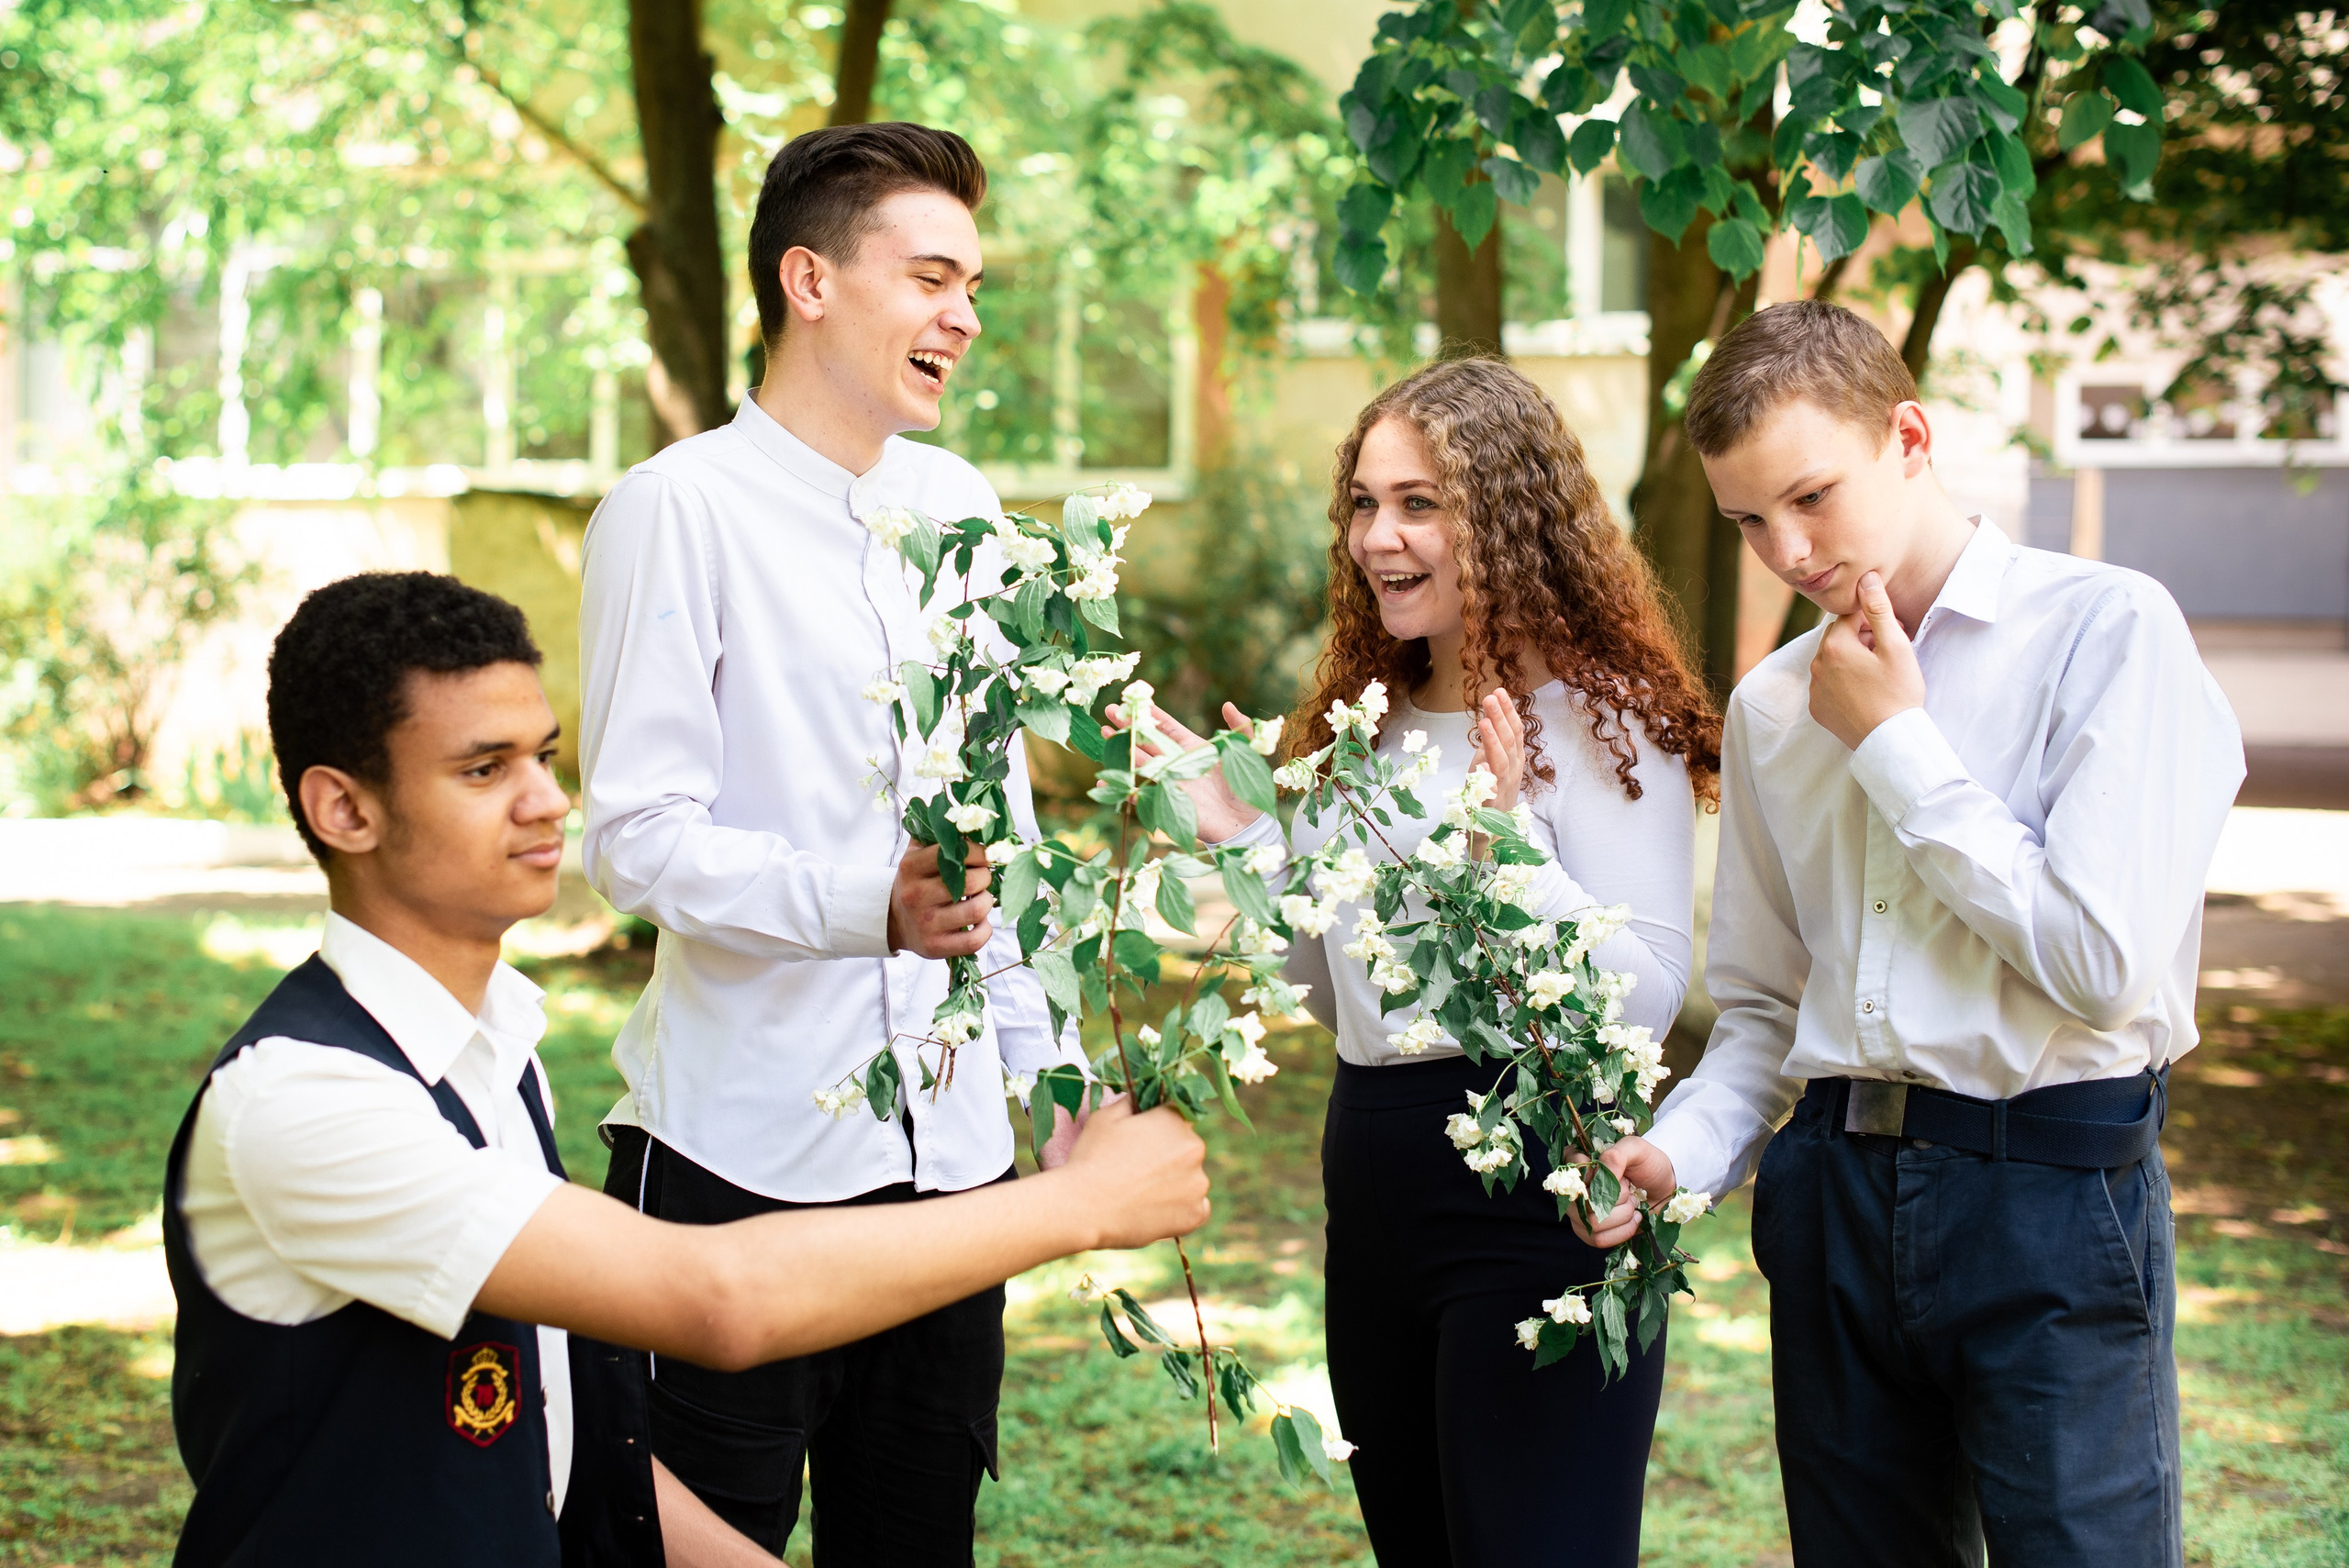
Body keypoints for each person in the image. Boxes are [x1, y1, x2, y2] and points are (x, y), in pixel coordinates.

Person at [163, 572, 1209, 1568]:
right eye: (484, 769)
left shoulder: (488, 1048)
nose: (545, 802)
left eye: (544, 754)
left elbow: (559, 1437)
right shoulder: (306, 1098)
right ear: (344, 809)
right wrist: (1082, 1202)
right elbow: (717, 1298)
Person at [1586, 301, 2243, 1567]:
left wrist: (1896, 744)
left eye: (1813, 496)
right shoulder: (1775, 705)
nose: (1786, 549)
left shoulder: (2109, 632)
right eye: (1746, 522)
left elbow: (2102, 966)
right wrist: (1687, 1149)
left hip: (2051, 1190)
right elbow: (1770, 1006)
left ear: (1909, 434)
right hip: (1831, 1200)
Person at [574, 123, 1093, 1562]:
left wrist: (1045, 1069)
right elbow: (633, 838)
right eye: (932, 277)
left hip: (955, 1170)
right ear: (808, 278)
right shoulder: (675, 510)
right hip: (742, 1165)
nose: (966, 318)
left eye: (974, 285)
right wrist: (863, 902)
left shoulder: (967, 512)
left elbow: (1008, 829)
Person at [1119, 358, 1720, 1566]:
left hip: (1541, 1188)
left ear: (1500, 519)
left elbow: (1644, 1003)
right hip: (1376, 1176)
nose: (1378, 537)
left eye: (1419, 505)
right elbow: (1336, 993)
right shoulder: (1365, 720)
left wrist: (1497, 842)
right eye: (1363, 503)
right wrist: (1247, 844)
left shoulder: (1600, 721)